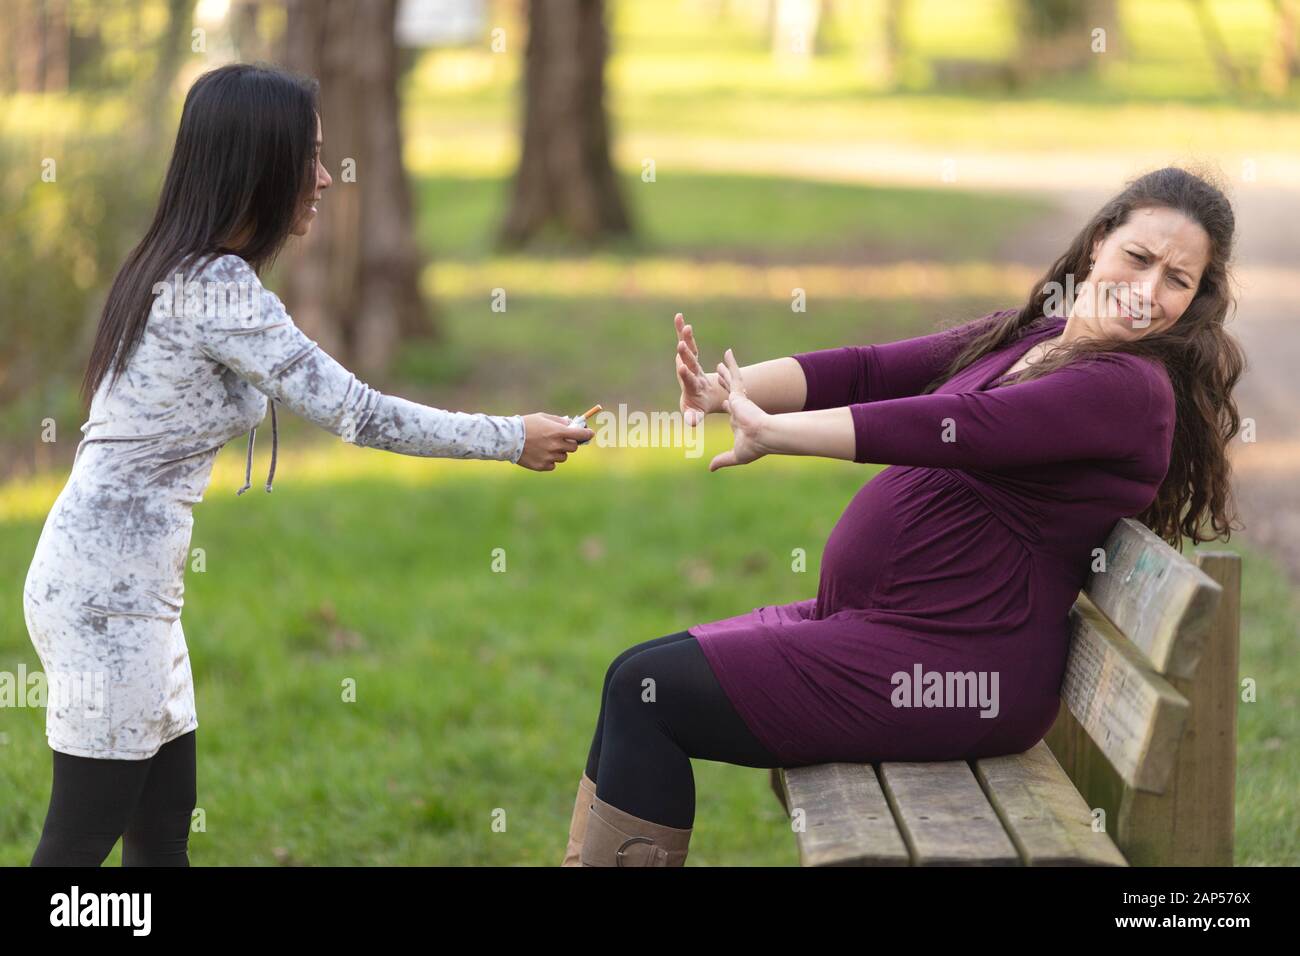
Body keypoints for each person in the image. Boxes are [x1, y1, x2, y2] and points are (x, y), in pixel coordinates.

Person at [565, 165, 1245, 866]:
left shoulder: (1127, 390)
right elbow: (869, 368)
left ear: (1195, 299)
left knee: (651, 698)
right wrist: (724, 391)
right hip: (892, 628)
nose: (1146, 292)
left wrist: (777, 434)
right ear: (1101, 241)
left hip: (958, 666)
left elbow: (955, 423)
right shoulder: (1039, 335)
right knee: (636, 676)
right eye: (1139, 258)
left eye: (1176, 279)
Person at [23, 63, 592, 867]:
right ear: (259, 165)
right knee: (77, 849)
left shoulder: (177, 263)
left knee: (160, 842)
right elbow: (358, 412)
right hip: (106, 601)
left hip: (127, 592)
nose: (325, 179)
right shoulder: (215, 288)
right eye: (309, 159)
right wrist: (509, 438)